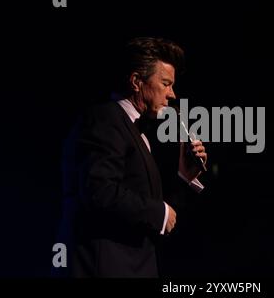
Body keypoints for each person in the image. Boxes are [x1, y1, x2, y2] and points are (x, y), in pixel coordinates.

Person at [56, 37, 207, 277]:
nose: (173, 94)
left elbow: (159, 215)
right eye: (166, 84)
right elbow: (99, 190)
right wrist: (160, 213)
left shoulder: (136, 130)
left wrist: (185, 177)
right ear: (137, 82)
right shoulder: (105, 119)